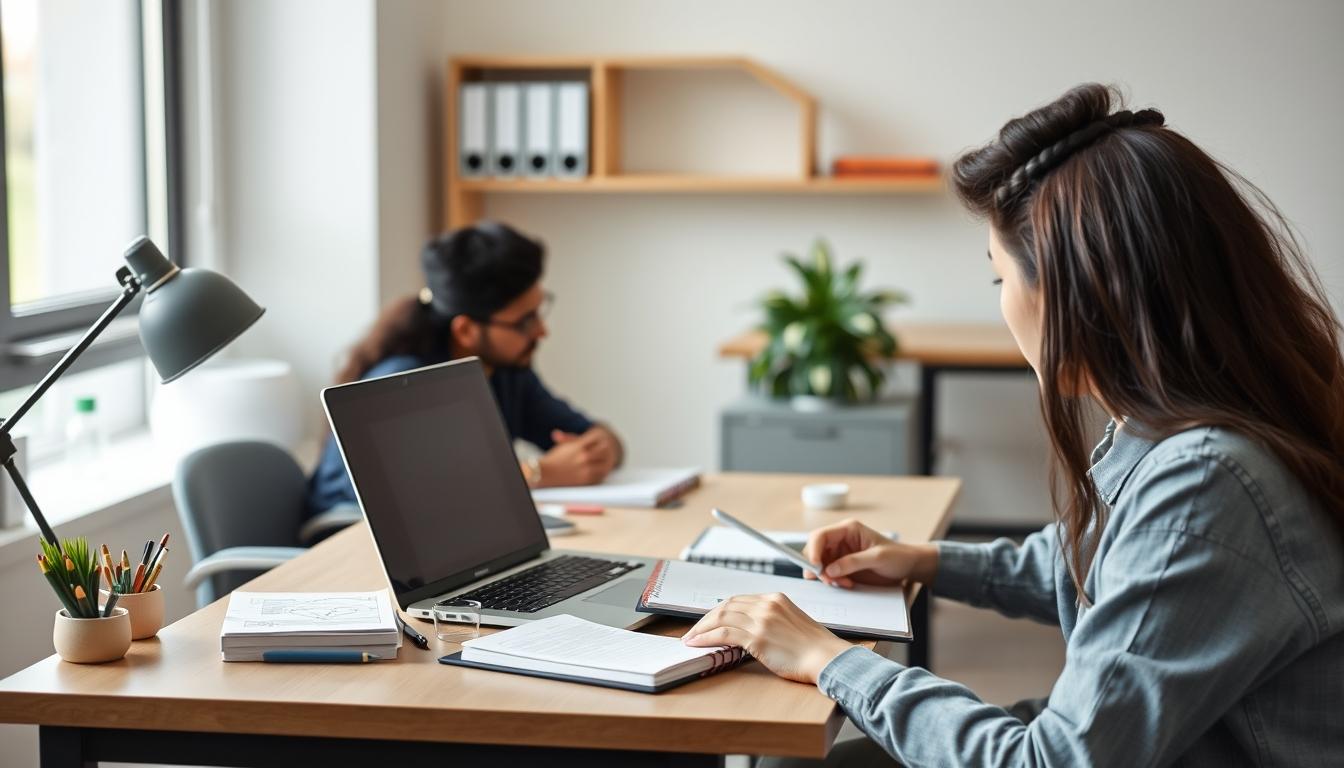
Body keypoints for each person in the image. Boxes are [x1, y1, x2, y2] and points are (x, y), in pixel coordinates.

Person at [683, 84, 1344, 766]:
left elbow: (1049, 760)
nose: (1004, 306)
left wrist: (829, 660)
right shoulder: (1197, 430)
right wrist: (924, 560)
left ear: (1075, 293)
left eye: (1001, 279)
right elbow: (1107, 562)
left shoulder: (1204, 482)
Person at [306, 221, 623, 517]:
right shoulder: (402, 382)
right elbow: (411, 500)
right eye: (525, 321)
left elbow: (591, 433)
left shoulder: (507, 370)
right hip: (348, 534)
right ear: (466, 330)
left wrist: (602, 448)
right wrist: (538, 473)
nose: (542, 331)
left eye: (539, 312)